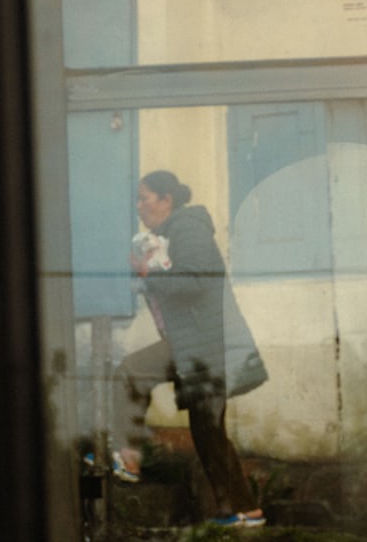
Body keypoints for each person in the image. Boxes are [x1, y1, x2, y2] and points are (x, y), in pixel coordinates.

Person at [111, 170, 268, 528]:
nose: (139, 206)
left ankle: (128, 456)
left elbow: (198, 279)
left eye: (144, 198)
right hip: (194, 344)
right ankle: (245, 511)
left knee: (131, 372)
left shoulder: (188, 228)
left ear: (167, 200)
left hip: (203, 345)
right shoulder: (167, 234)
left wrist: (150, 276)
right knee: (208, 432)